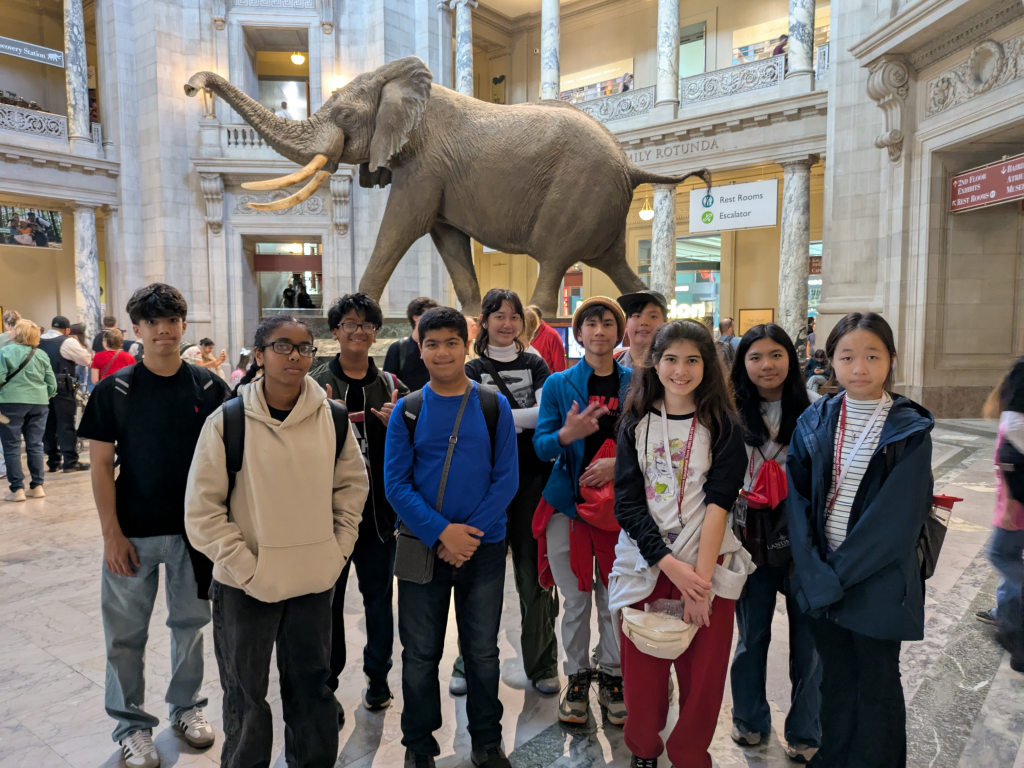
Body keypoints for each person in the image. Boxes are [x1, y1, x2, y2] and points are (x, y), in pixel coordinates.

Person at [186, 314, 368, 768]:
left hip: (312, 579)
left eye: (304, 348)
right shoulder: (228, 420)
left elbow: (352, 489)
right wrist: (247, 568)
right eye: (282, 346)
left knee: (312, 687)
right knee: (245, 693)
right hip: (244, 585)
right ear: (260, 354)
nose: (295, 356)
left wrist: (337, 552)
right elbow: (203, 511)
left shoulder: (334, 418)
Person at [78, 283, 231, 768]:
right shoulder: (115, 390)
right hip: (134, 531)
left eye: (171, 321)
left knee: (191, 625)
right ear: (137, 330)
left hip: (196, 534)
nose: (163, 330)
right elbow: (101, 466)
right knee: (125, 635)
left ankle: (186, 708)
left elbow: (231, 459)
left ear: (184, 326)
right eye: (152, 323)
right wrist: (110, 533)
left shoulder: (209, 387)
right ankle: (130, 726)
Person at [787, 312, 934, 768]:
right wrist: (810, 569)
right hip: (821, 580)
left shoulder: (909, 428)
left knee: (876, 683)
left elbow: (896, 521)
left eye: (872, 355)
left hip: (876, 583)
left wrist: (832, 578)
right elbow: (795, 499)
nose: (860, 367)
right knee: (836, 679)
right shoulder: (817, 417)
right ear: (831, 360)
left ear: (891, 359)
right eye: (847, 356)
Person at [610, 319, 751, 768]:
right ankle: (644, 751)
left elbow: (719, 504)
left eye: (693, 360)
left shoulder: (723, 424)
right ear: (654, 361)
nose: (681, 370)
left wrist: (699, 585)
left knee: (702, 680)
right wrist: (669, 566)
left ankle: (690, 756)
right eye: (671, 359)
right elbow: (627, 504)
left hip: (707, 563)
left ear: (708, 366)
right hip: (649, 565)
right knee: (643, 674)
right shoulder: (634, 421)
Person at [384, 307, 518, 768]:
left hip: (483, 548)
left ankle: (486, 740)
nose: (442, 352)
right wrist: (443, 532)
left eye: (451, 342)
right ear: (419, 350)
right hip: (424, 548)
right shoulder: (408, 409)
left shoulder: (492, 404)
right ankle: (418, 746)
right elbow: (395, 484)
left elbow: (506, 480)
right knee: (420, 653)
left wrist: (467, 536)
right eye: (432, 343)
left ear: (467, 345)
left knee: (482, 651)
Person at [533, 296, 631, 726]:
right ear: (578, 333)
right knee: (575, 600)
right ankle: (576, 676)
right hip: (568, 509)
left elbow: (653, 448)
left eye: (607, 323)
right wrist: (565, 436)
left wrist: (619, 464)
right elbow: (540, 446)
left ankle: (612, 676)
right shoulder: (558, 384)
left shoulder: (638, 383)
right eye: (590, 323)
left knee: (615, 599)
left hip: (622, 512)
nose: (599, 330)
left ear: (618, 332)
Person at [310, 293, 409, 717]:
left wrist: (398, 424)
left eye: (367, 326)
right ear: (335, 332)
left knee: (378, 600)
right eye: (350, 325)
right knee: (326, 605)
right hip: (326, 518)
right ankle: (326, 685)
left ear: (375, 333)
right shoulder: (313, 382)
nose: (358, 332)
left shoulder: (391, 385)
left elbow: (416, 444)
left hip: (378, 519)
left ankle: (379, 677)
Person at [727, 324, 821, 761]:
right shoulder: (727, 413)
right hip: (750, 539)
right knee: (752, 634)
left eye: (776, 355)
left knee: (809, 641)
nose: (767, 365)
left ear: (791, 358)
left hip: (804, 541)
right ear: (742, 363)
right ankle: (749, 719)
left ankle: (805, 729)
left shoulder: (817, 411)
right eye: (756, 356)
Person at [458, 289, 559, 696]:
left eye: (514, 316)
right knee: (477, 575)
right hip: (481, 484)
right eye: (498, 315)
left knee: (534, 575)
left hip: (531, 480)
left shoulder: (536, 363)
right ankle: (468, 662)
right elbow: (467, 418)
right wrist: (519, 420)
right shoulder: (469, 367)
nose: (506, 323)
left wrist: (499, 416)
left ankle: (543, 662)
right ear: (484, 321)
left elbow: (543, 414)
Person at [980, 357, 1024, 671]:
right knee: (1010, 560)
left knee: (1000, 555)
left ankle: (1010, 624)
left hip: (1016, 502)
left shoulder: (1014, 419)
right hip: (1012, 499)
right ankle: (1004, 614)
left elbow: (1009, 457)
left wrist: (1010, 502)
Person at [0, 319, 56, 502]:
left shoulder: (5, 352)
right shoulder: (41, 354)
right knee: (35, 444)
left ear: (18, 333)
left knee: (12, 447)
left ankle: (17, 490)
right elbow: (52, 384)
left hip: (11, 403)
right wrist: (44, 395)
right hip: (39, 403)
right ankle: (37, 486)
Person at [39, 315, 92, 473]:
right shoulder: (67, 341)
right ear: (67, 330)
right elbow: (86, 360)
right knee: (65, 423)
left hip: (42, 387)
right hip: (62, 387)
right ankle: (70, 461)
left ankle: (53, 461)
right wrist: (79, 344)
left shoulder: (39, 340)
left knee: (47, 424)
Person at [384, 296, 439, 392]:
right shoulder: (398, 348)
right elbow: (387, 384)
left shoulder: (439, 348)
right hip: (405, 404)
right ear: (415, 317)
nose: (433, 320)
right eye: (429, 315)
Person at [615, 290, 667, 369]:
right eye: (637, 316)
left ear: (665, 324)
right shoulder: (612, 364)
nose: (644, 322)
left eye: (653, 316)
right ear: (626, 324)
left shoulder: (672, 366)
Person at [527, 305, 566, 373]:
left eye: (531, 319)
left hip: (546, 380)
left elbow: (560, 366)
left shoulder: (552, 335)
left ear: (538, 319)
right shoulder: (520, 333)